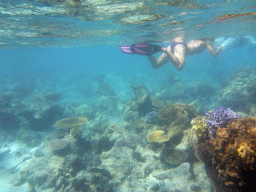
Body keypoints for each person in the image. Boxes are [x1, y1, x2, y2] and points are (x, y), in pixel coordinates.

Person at [119, 37, 222, 71]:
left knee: (156, 66)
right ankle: (163, 49)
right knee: (179, 66)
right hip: (180, 47)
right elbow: (214, 54)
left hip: (175, 46)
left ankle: (148, 51)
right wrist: (219, 48)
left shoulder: (197, 39)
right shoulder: (206, 42)